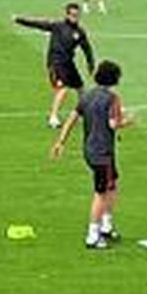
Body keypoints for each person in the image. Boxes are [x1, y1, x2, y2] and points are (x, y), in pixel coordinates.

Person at [52, 59, 133, 250]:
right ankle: (93, 234)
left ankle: (106, 225)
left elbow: (72, 118)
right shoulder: (112, 98)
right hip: (102, 153)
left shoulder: (87, 96)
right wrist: (128, 121)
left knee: (112, 184)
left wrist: (60, 141)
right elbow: (113, 124)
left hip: (90, 150)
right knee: (102, 193)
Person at [15, 3, 95, 128]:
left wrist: (91, 63)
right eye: (73, 15)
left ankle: (83, 114)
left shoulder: (79, 32)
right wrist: (19, 20)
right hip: (56, 62)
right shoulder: (58, 26)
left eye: (77, 15)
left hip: (69, 63)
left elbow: (87, 48)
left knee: (81, 89)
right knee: (62, 88)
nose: (75, 17)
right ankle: (53, 117)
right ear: (67, 14)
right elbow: (38, 24)